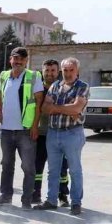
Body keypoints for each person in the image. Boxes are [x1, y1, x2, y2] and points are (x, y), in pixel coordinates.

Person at [34, 57, 89, 216]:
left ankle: (76, 202)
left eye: (71, 70)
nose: (68, 73)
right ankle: (51, 200)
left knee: (74, 170)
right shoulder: (55, 86)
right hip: (53, 133)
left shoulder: (82, 87)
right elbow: (45, 108)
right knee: (53, 170)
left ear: (77, 71)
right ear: (61, 71)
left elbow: (77, 108)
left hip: (72, 133)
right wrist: (68, 108)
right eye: (65, 70)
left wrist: (56, 108)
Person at [0, 47, 44, 209]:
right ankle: (5, 196)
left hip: (26, 130)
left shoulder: (34, 76)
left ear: (26, 61)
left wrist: (35, 126)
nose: (18, 62)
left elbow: (38, 104)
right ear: (10, 60)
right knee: (6, 164)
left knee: (28, 167)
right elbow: (0, 95)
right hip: (7, 130)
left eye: (21, 59)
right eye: (15, 59)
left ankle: (26, 200)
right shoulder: (4, 76)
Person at [33, 59, 69, 206]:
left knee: (62, 168)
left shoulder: (64, 88)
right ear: (42, 71)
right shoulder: (37, 90)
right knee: (38, 166)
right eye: (47, 70)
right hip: (41, 134)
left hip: (59, 134)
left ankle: (62, 195)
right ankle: (35, 194)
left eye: (53, 70)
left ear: (58, 72)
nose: (49, 73)